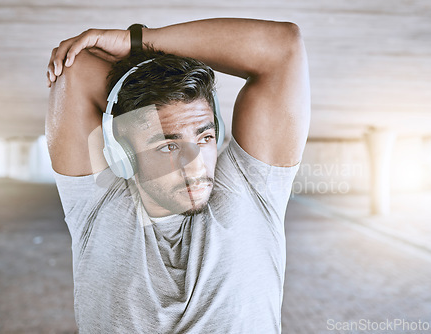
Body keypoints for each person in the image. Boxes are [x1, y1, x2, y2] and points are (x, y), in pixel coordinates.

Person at [46, 18, 310, 333]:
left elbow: (283, 46)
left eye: (204, 138)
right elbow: (76, 67)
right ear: (124, 153)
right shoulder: (98, 202)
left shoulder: (252, 185)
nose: (195, 164)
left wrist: (139, 42)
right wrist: (135, 88)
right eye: (168, 146)